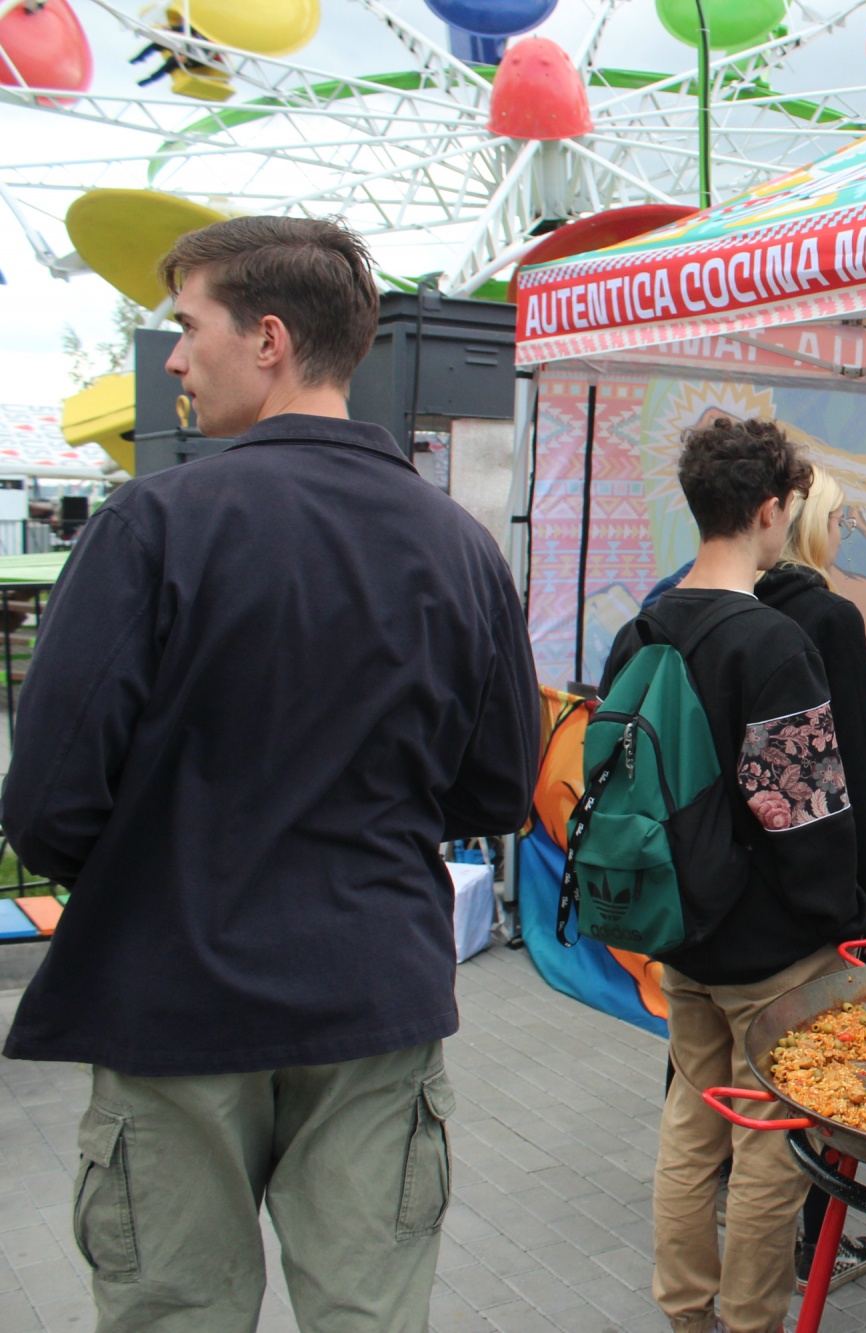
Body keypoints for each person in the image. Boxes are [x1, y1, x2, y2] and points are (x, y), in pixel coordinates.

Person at [0, 216, 539, 1331]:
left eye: (188, 329)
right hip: (372, 990)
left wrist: (164, 864)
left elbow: (48, 803)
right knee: (370, 1312)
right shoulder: (461, 549)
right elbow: (496, 792)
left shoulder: (151, 525)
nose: (176, 362)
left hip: (172, 995)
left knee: (174, 1310)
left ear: (271, 339)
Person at [599, 416, 866, 1333]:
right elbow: (803, 814)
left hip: (679, 931)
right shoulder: (770, 642)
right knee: (767, 1144)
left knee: (691, 1125)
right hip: (772, 947)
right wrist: (841, 913)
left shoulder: (640, 627)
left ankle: (686, 1311)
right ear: (770, 509)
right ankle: (753, 1317)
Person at [750, 463, 866, 1292]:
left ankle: (714, 1275)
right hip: (808, 892)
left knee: (712, 1094)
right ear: (810, 526)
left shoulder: (719, 606)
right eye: (838, 523)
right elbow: (857, 766)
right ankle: (809, 1246)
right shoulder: (828, 618)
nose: (843, 540)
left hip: (720, 897)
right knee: (807, 1075)